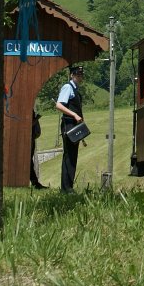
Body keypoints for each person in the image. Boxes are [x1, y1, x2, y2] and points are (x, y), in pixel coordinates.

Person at [56, 64, 86, 193]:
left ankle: (69, 186)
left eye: (81, 74)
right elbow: (59, 105)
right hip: (69, 124)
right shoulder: (68, 87)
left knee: (72, 156)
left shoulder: (75, 89)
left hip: (74, 125)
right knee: (69, 156)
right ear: (71, 75)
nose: (80, 77)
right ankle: (66, 188)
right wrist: (74, 114)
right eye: (77, 74)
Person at [30, 109, 47, 189]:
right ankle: (35, 183)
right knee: (29, 162)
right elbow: (27, 124)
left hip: (31, 136)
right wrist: (36, 119)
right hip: (28, 137)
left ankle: (35, 183)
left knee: (29, 161)